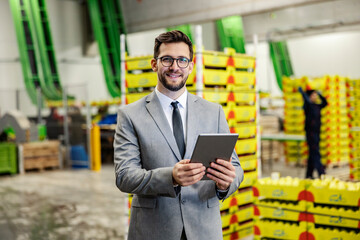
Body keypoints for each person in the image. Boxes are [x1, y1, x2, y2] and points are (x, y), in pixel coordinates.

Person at [114, 30, 243, 240]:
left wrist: (227, 182)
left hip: (204, 229)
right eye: (167, 59)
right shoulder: (130, 115)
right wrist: (171, 177)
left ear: (190, 66)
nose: (175, 67)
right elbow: (124, 176)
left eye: (182, 60)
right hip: (154, 230)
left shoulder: (214, 112)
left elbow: (236, 167)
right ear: (154, 64)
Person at [299, 87, 328, 179]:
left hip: (317, 132)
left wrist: (320, 94)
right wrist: (303, 93)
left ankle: (309, 175)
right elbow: (307, 101)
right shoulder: (308, 106)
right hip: (310, 134)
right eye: (313, 95)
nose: (315, 97)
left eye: (316, 95)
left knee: (312, 154)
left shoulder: (317, 106)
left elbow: (325, 103)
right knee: (315, 153)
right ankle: (321, 173)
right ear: (309, 97)